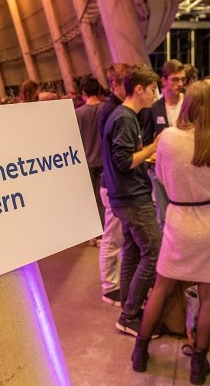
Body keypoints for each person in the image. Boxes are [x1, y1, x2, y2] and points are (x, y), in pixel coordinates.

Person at [131, 81, 210, 385]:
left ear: (188, 103)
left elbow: (161, 177)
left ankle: (140, 351)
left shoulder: (167, 138)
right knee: (209, 296)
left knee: (161, 288)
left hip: (180, 221)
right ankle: (198, 367)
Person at [102, 64, 162, 337]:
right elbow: (124, 161)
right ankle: (129, 315)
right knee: (153, 252)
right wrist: (153, 147)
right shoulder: (125, 118)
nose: (154, 95)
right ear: (139, 89)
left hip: (125, 196)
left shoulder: (123, 116)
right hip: (132, 198)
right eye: (152, 90)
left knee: (133, 252)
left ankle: (129, 308)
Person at [96, 63, 130, 307]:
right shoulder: (112, 110)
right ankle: (109, 287)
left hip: (112, 182)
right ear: (114, 84)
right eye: (125, 83)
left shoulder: (114, 108)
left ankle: (113, 283)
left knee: (116, 236)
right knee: (112, 237)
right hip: (112, 184)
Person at [142, 59, 186, 232]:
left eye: (182, 79)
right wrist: (149, 168)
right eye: (175, 79)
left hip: (186, 170)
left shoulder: (190, 104)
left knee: (184, 217)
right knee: (163, 219)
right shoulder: (154, 108)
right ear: (163, 81)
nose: (180, 84)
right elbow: (146, 140)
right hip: (160, 172)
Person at [75, 77, 105, 231]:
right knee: (107, 197)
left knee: (94, 199)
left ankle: (99, 231)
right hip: (105, 162)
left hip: (87, 162)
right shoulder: (106, 109)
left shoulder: (78, 113)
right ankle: (109, 229)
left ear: (83, 92)